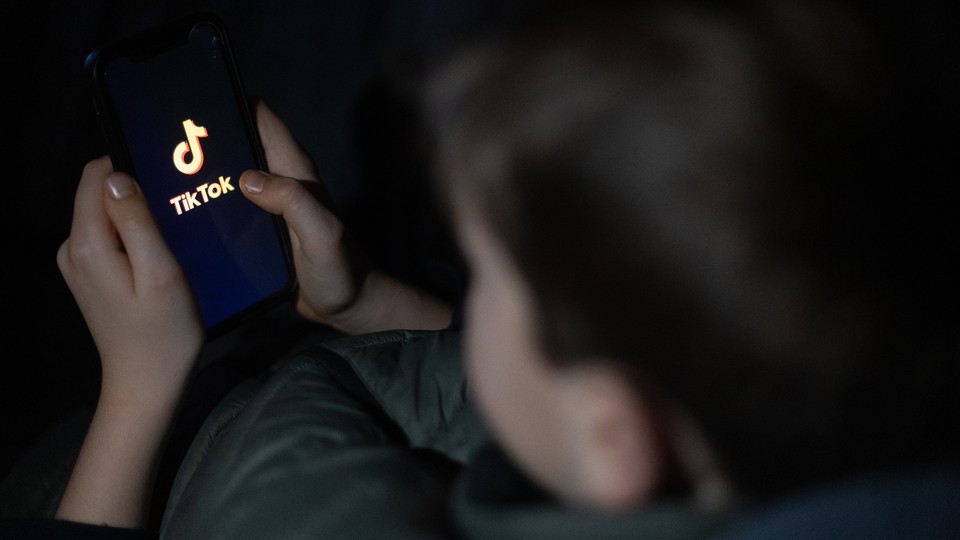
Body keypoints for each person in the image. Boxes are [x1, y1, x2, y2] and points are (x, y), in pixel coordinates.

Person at [3, 0, 958, 538]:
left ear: (616, 440)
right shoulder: (705, 420)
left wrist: (136, 391)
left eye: (490, 274)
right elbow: (475, 388)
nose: (474, 297)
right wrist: (359, 298)